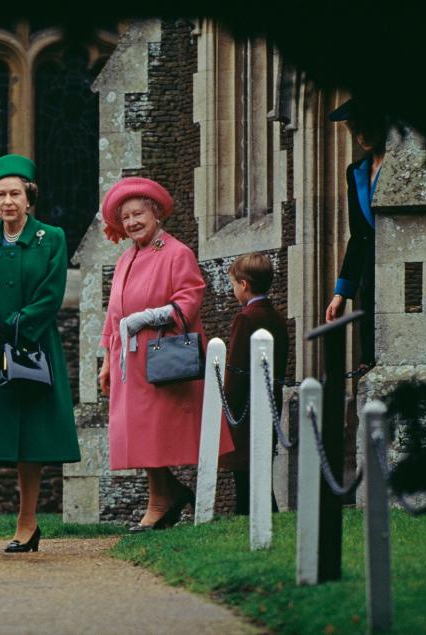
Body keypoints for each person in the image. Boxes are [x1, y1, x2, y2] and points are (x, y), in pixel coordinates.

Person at [0, 154, 80, 553]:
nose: (8, 201)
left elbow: (51, 293)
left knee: (31, 437)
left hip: (31, 347)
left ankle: (28, 523)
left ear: (29, 197)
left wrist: (17, 325)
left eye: (15, 194)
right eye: (0, 195)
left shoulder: (51, 237)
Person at [98, 177, 234, 533]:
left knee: (154, 433)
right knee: (140, 434)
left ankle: (162, 499)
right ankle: (165, 495)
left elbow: (190, 299)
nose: (131, 223)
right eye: (125, 218)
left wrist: (149, 316)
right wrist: (105, 360)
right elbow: (114, 314)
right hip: (128, 360)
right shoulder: (127, 257)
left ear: (155, 213)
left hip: (161, 355)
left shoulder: (177, 252)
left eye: (137, 214)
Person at [217, 253, 289, 514]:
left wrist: (228, 405)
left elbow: (236, 367)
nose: (234, 289)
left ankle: (247, 514)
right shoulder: (277, 318)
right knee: (261, 468)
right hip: (270, 402)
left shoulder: (245, 318)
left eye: (234, 284)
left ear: (244, 285)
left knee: (245, 472)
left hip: (244, 409)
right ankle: (260, 514)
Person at [324, 98, 391, 367]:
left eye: (367, 127)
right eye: (355, 129)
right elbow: (359, 236)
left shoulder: (400, 166)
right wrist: (341, 294)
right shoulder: (356, 172)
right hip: (370, 273)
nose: (361, 135)